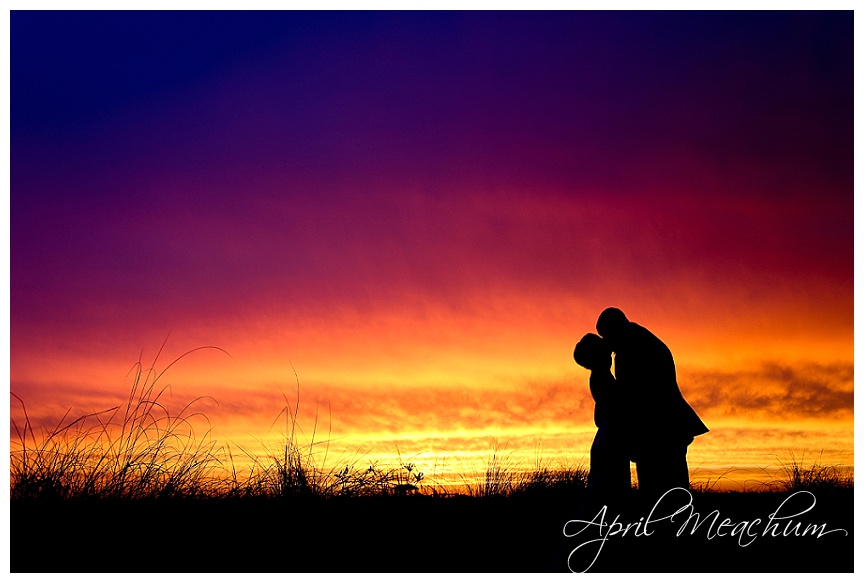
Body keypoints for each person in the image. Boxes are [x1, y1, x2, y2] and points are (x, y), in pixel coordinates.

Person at [595, 307, 708, 501]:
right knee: (672, 493)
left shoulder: (631, 348)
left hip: (657, 431)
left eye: (606, 336)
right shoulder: (640, 339)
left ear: (614, 329)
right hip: (665, 429)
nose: (608, 344)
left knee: (661, 495)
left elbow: (634, 396)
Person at [573, 332, 631, 509]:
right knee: (608, 492)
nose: (610, 356)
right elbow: (613, 410)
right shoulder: (601, 379)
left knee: (606, 492)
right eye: (606, 353)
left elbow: (599, 417)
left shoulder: (600, 378)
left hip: (609, 439)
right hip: (610, 440)